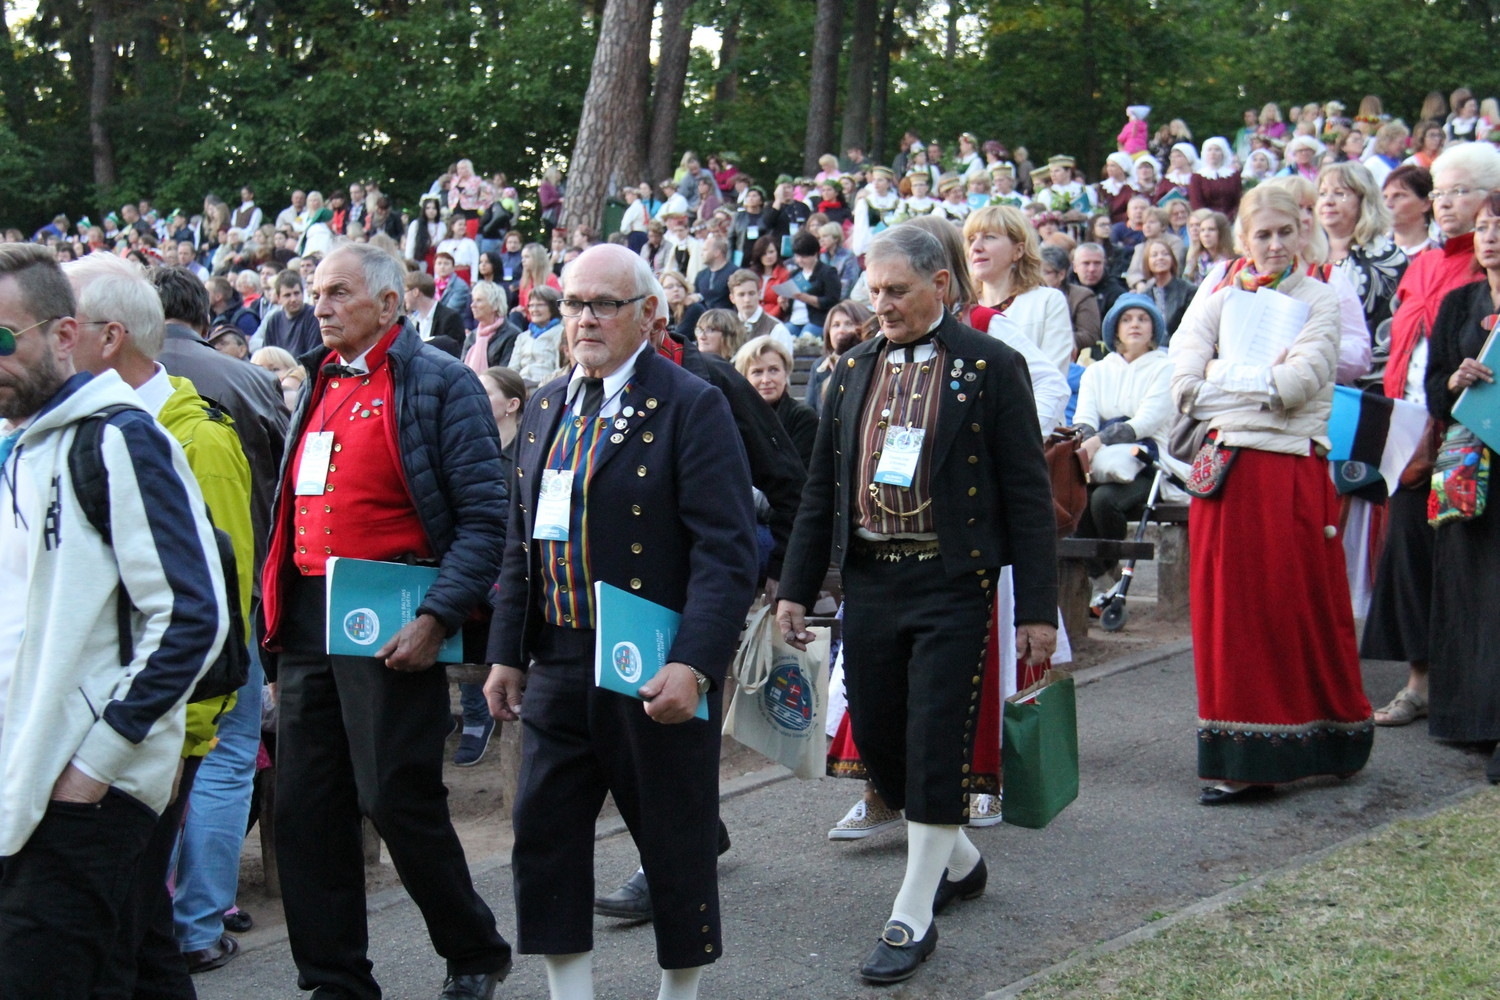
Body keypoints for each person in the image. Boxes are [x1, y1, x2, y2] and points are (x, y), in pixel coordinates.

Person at [776, 224, 1058, 985]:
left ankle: (913, 911)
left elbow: (1030, 495)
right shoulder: (847, 371)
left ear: (943, 283)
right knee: (881, 742)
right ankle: (959, 860)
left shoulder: (993, 368)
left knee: (936, 739)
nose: (882, 305)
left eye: (896, 291)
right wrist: (796, 589)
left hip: (951, 582)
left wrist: (1038, 609)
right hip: (869, 582)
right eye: (874, 291)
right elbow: (819, 493)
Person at [484, 244, 758, 1000]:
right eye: (573, 303)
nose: (585, 318)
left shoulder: (692, 403)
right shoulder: (543, 404)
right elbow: (520, 543)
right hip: (559, 659)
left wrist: (696, 663)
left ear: (649, 314)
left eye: (603, 303)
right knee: (543, 836)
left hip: (655, 656)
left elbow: (727, 552)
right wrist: (506, 651)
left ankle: (680, 994)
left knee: (673, 836)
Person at [259, 243, 513, 1000]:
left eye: (338, 292)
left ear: (390, 303)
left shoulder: (439, 383)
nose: (321, 305)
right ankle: (335, 979)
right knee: (307, 809)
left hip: (396, 619)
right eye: (315, 292)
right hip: (308, 621)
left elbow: (484, 516)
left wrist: (439, 616)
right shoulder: (315, 381)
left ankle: (473, 950)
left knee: (395, 799)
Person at [0, 242, 228, 997]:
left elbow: (194, 615)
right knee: (133, 968)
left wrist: (95, 767)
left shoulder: (120, 440)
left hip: (84, 791)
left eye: (5, 339)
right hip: (25, 782)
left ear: (64, 335)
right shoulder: (17, 451)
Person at [64, 252, 255, 991]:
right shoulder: (86, 428)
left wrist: (192, 735)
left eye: (63, 322)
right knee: (139, 938)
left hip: (159, 733)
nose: (50, 337)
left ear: (109, 337)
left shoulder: (196, 436)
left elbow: (218, 601)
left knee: (124, 932)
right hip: (111, 722)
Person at [1170, 184, 1374, 805]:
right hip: (1226, 469)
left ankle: (1292, 748)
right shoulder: (1218, 290)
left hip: (1286, 473)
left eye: (1286, 231)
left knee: (1282, 611)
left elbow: (1298, 382)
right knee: (1224, 617)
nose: (1275, 244)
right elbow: (1181, 382)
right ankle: (1240, 756)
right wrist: (1239, 381)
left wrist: (1220, 374)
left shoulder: (1323, 296)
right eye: (1263, 234)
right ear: (1243, 238)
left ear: (1303, 231)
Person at [1363, 142, 1500, 728]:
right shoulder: (1423, 264)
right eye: (1439, 192)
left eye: (1459, 192)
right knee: (1409, 551)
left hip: (1468, 434)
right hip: (1420, 428)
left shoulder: (1473, 267)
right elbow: (1420, 355)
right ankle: (1420, 681)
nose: (1447, 203)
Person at [1424, 191, 1500, 775]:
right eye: (1482, 227)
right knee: (1465, 586)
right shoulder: (1457, 303)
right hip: (1468, 466)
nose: (1491, 236)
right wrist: (1456, 378)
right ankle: (1467, 717)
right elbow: (1430, 390)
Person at [1072, 293, 1188, 598]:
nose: (1134, 324)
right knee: (1074, 500)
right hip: (1100, 460)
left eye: (1142, 318)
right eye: (1126, 319)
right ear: (1115, 329)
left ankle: (1106, 570)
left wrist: (1099, 439)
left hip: (1149, 461)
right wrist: (1087, 439)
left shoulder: (1166, 368)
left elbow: (1146, 422)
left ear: (1154, 328)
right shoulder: (1097, 371)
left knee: (1103, 501)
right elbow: (1085, 417)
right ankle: (1099, 578)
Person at [965, 205, 1074, 374]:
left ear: (1018, 250)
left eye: (989, 237)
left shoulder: (1048, 302)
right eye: (972, 239)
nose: (976, 247)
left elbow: (1052, 381)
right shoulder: (961, 308)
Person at [732, 333, 816, 465]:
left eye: (773, 370)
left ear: (785, 373)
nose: (766, 380)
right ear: (744, 378)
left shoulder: (803, 417)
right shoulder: (735, 419)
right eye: (757, 372)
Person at [805, 299, 872, 415]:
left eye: (849, 324)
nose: (841, 331)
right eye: (836, 325)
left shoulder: (873, 364)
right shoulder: (820, 367)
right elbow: (810, 410)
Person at [1039, 243, 1101, 355]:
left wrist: (1051, 338)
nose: (1039, 277)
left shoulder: (1082, 296)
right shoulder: (1030, 296)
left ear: (1061, 274)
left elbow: (1089, 335)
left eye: (1046, 273)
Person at [782, 231, 842, 337]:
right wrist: (784, 302)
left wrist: (805, 298)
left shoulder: (827, 272)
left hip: (817, 321)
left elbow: (832, 300)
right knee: (782, 335)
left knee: (806, 339)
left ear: (815, 254)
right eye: (797, 256)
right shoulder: (794, 274)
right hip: (794, 319)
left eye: (803, 257)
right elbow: (788, 307)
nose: (799, 260)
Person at [1136, 237, 1193, 339]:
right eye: (1154, 255)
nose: (1160, 258)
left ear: (1172, 260)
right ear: (1147, 262)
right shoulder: (1144, 295)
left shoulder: (1188, 291)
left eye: (1165, 254)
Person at [509, 285, 564, 388]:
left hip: (546, 389)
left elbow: (561, 370)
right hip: (521, 389)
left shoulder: (561, 333)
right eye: (531, 305)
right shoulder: (522, 337)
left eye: (539, 305)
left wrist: (538, 386)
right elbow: (512, 370)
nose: (534, 309)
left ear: (552, 307)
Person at [463, 281, 522, 375]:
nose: (472, 305)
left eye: (479, 300)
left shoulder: (512, 335)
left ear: (495, 305)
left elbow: (505, 375)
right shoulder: (472, 337)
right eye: (473, 300)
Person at [260, 269, 322, 357]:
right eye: (287, 295)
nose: (293, 299)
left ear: (303, 293)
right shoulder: (274, 320)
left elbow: (313, 357)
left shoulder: (313, 316)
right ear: (278, 298)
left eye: (296, 293)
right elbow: (267, 355)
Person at [404, 269, 466, 356]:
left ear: (415, 292)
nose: (404, 297)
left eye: (405, 292)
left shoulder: (451, 318)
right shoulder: (418, 321)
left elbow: (455, 354)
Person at [1383, 165, 1437, 257]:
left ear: (1426, 204)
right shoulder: (1373, 254)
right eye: (1385, 197)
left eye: (1399, 195)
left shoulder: (1441, 254)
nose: (1388, 204)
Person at [1189, 137, 1243, 220]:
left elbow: (1238, 200)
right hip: (1206, 220)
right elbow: (1196, 204)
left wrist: (1229, 218)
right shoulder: (1197, 177)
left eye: (1217, 150)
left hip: (1232, 220)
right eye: (1209, 150)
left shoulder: (1234, 175)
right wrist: (1211, 220)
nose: (1212, 153)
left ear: (1223, 153)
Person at [1073, 241, 1127, 317]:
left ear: (1104, 264)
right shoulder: (1063, 291)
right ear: (1075, 267)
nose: (1091, 269)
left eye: (1097, 263)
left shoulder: (1116, 295)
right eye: (1086, 263)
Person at [405, 195, 446, 274]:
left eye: (434, 208)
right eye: (428, 208)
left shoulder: (442, 225)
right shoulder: (416, 224)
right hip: (421, 259)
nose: (431, 211)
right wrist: (409, 261)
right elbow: (410, 244)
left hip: (437, 260)